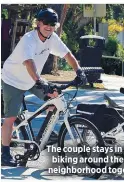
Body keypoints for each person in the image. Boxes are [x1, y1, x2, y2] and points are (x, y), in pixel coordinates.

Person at [1, 8, 87, 167]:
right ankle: (5, 152)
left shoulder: (52, 38)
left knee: (55, 98)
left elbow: (68, 55)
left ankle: (47, 133)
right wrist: (40, 81)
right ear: (38, 24)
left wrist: (79, 71)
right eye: (46, 23)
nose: (49, 26)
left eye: (52, 24)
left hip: (32, 79)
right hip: (13, 80)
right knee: (10, 118)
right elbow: (29, 62)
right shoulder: (29, 39)